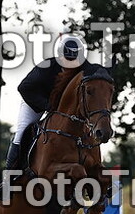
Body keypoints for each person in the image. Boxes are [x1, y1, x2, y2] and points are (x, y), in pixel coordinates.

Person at [5, 34, 89, 170]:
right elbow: (24, 88)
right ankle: (9, 177)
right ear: (60, 56)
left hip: (62, 108)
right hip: (35, 102)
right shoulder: (47, 66)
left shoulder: (82, 67)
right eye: (67, 59)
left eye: (74, 60)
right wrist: (47, 106)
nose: (71, 64)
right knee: (21, 132)